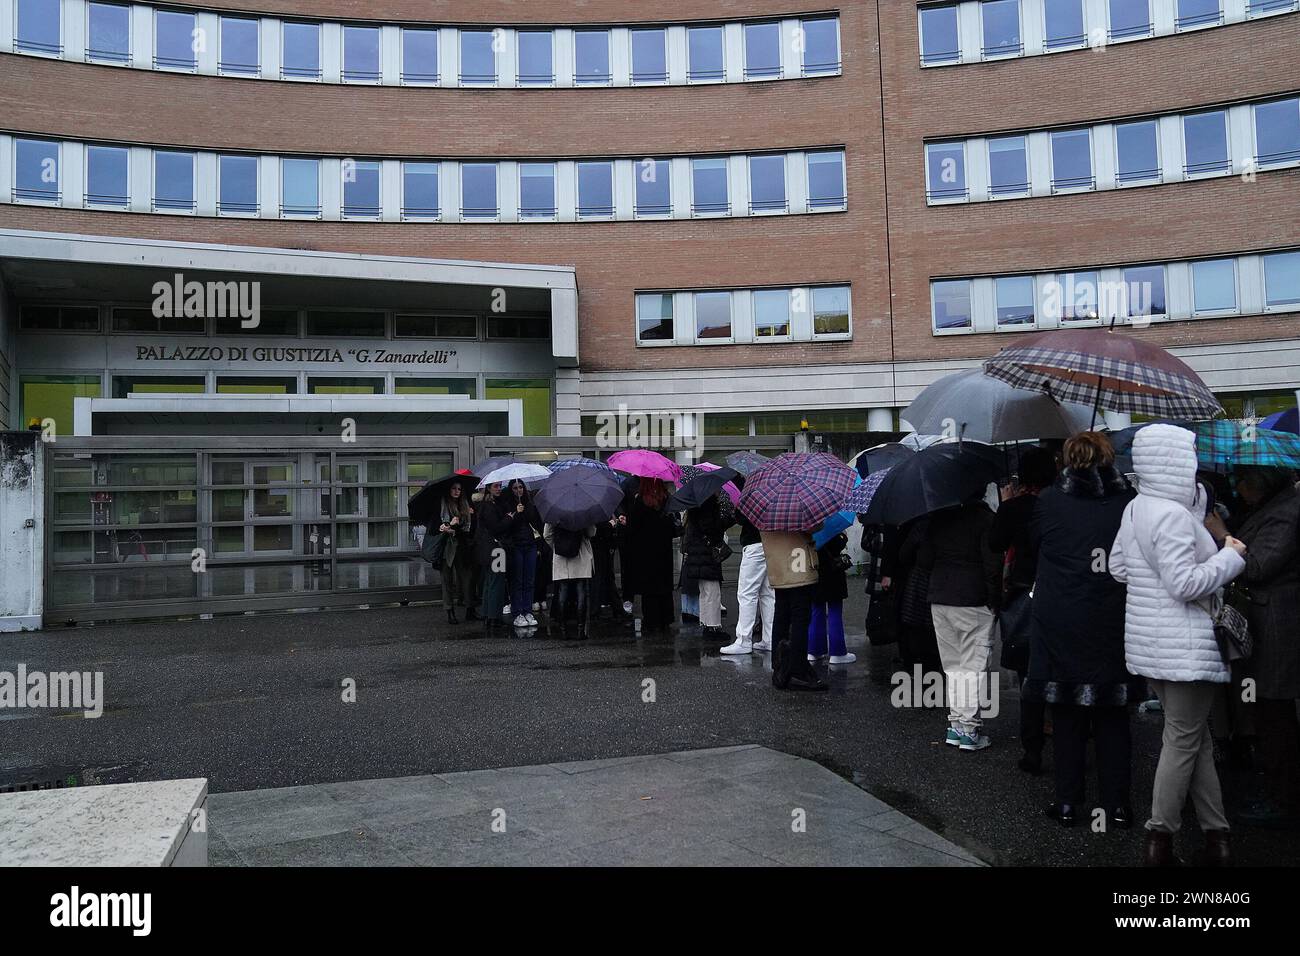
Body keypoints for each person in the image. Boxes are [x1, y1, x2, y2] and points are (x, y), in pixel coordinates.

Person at [1109, 423, 1247, 866]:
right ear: (1176, 462)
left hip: (1151, 645)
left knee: (1192, 737)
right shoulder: (1171, 515)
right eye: (1190, 456)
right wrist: (1230, 557)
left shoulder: (1136, 508)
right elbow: (1184, 584)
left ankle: (1217, 835)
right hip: (1185, 648)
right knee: (1183, 741)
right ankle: (1160, 838)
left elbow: (1118, 568)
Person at [1025, 432, 1137, 827]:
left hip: (1062, 617)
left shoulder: (1049, 501)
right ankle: (1117, 805)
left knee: (1067, 713)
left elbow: (1033, 545)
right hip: (1114, 615)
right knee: (1114, 715)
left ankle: (1068, 803)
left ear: (1067, 459)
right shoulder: (1128, 502)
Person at [1231, 464, 1300, 827]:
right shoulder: (1275, 505)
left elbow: (1258, 566)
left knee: (1275, 712)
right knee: (1271, 711)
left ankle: (1282, 798)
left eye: (1241, 479)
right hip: (1271, 620)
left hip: (1277, 623)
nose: (1238, 487)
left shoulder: (1287, 511)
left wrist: (1222, 536)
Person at [907, 492, 1001, 751]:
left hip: (940, 597)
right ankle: (969, 729)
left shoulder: (939, 517)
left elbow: (924, 559)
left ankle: (956, 724)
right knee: (973, 665)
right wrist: (995, 599)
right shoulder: (985, 519)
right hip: (973, 599)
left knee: (953, 665)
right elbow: (992, 564)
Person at [988, 445, 1058, 775]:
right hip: (1058, 591)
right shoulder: (1062, 504)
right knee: (1059, 666)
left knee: (1027, 671)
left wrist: (1006, 506)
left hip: (1022, 593)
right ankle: (1060, 724)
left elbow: (995, 543)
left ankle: (1032, 748)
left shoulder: (1014, 508)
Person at [764, 526, 827, 691]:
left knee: (781, 614)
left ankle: (780, 667)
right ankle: (798, 671)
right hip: (798, 563)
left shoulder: (766, 513)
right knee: (800, 618)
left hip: (777, 565)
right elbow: (814, 525)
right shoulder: (798, 510)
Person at [623, 478, 681, 632]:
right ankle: (666, 618)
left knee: (649, 590)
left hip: (646, 552)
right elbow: (673, 526)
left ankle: (651, 620)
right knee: (664, 587)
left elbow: (632, 528)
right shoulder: (666, 500)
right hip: (664, 551)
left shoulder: (640, 502)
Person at [722, 508, 775, 655]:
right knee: (768, 593)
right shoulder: (772, 493)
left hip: (753, 543)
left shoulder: (751, 495)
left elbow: (741, 517)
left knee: (747, 593)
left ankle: (743, 640)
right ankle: (770, 638)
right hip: (770, 541)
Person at [500, 479, 543, 630]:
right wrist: (516, 513)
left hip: (530, 544)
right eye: (515, 488)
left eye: (520, 487)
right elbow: (507, 527)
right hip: (516, 546)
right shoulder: (508, 505)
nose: (519, 490)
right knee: (517, 580)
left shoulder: (529, 504)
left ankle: (527, 611)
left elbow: (535, 523)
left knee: (529, 580)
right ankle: (517, 612)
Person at [681, 496, 727, 637]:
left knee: (704, 591)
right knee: (712, 591)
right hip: (706, 553)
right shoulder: (709, 502)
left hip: (697, 552)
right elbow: (711, 527)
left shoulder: (694, 502)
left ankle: (706, 623)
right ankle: (713, 627)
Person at [544, 523, 597, 639]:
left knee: (562, 593)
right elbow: (591, 533)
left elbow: (547, 535)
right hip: (581, 555)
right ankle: (580, 631)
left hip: (561, 556)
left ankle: (563, 631)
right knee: (581, 592)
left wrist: (557, 546)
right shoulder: (584, 513)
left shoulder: (555, 513)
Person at [808, 532, 855, 665]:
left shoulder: (810, 524)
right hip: (832, 572)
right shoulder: (830, 525)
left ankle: (814, 650)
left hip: (815, 570)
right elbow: (837, 545)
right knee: (834, 610)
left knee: (816, 610)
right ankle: (837, 652)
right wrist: (843, 536)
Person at [436, 479, 476, 625]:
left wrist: (469, 517)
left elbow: (468, 529)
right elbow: (440, 525)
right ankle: (449, 611)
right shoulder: (444, 504)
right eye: (454, 488)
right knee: (447, 579)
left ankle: (470, 609)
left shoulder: (465, 504)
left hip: (462, 545)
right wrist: (448, 526)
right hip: (447, 546)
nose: (456, 491)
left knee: (467, 578)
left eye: (459, 489)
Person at [474, 481, 509, 632]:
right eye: (495, 486)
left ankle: (488, 615)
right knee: (496, 582)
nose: (499, 489)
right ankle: (494, 617)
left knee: (489, 582)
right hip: (496, 549)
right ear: (488, 488)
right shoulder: (489, 506)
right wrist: (509, 518)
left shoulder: (484, 505)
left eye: (500, 486)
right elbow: (496, 528)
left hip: (488, 549)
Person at [591, 512, 628, 620]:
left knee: (604, 578)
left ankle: (614, 609)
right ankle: (613, 609)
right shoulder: (598, 513)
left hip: (602, 547)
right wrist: (610, 524)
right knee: (602, 578)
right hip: (600, 547)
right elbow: (597, 530)